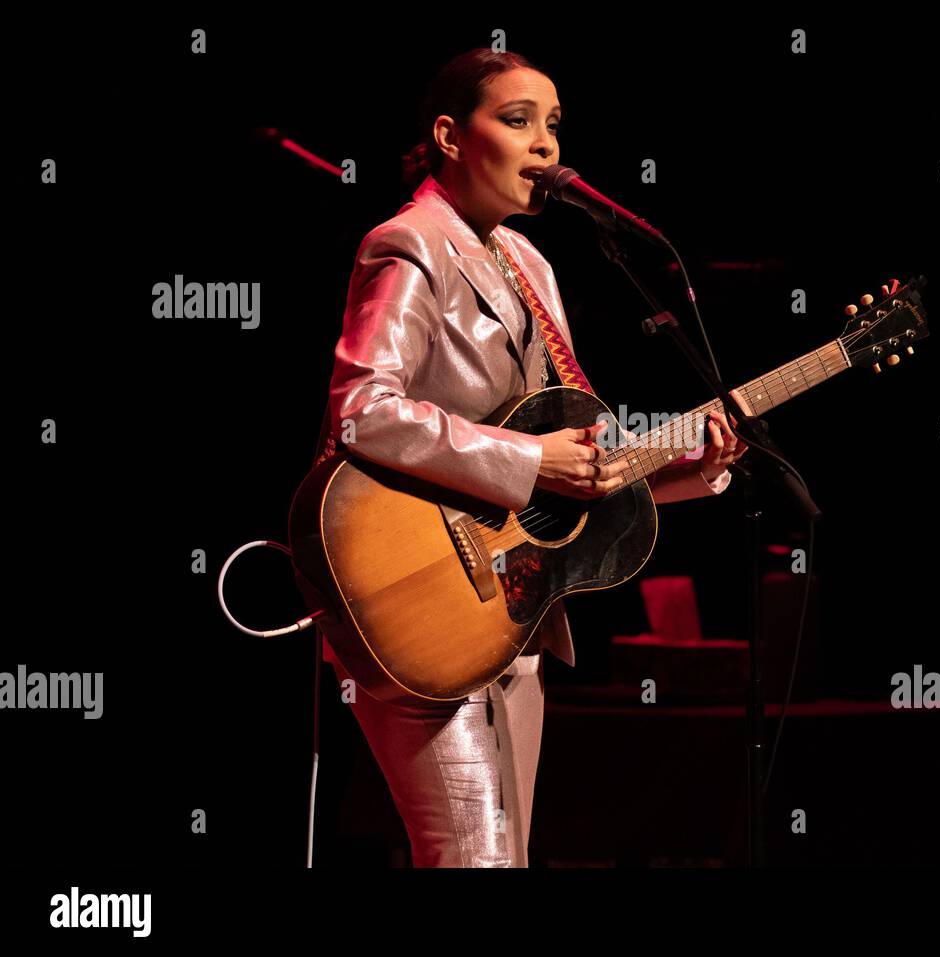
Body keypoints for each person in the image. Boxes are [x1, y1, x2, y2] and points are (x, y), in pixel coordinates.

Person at [298, 47, 750, 867]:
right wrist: (527, 460)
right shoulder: (407, 244)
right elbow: (363, 414)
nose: (544, 146)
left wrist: (692, 465)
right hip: (414, 594)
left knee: (506, 860)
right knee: (473, 859)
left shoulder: (531, 265)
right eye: (516, 121)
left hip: (512, 608)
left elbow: (576, 470)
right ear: (448, 135)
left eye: (552, 126)